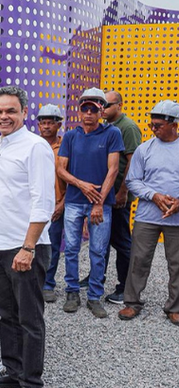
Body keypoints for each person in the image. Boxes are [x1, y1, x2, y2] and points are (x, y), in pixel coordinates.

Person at [0, 86, 55, 388]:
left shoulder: (35, 147)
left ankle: (32, 384)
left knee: (29, 318)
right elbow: (11, 193)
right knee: (7, 313)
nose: (3, 117)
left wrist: (28, 247)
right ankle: (13, 369)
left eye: (10, 111)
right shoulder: (4, 146)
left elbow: (43, 202)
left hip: (24, 247)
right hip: (0, 243)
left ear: (24, 112)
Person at [56, 87, 124, 318]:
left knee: (98, 251)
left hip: (100, 204)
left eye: (93, 110)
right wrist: (81, 184)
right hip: (74, 202)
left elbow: (113, 170)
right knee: (72, 249)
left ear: (101, 110)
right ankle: (72, 292)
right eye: (84, 109)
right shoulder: (71, 136)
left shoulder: (111, 134)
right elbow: (60, 169)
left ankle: (95, 296)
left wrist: (99, 202)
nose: (88, 114)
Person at [118, 100, 179, 325]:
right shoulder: (145, 148)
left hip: (177, 217)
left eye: (158, 125)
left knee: (177, 263)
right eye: (152, 124)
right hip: (147, 216)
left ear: (174, 124)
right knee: (139, 260)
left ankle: (175, 307)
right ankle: (132, 303)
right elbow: (133, 181)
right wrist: (155, 196)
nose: (153, 129)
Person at [91, 90, 142, 305]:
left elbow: (133, 162)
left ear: (119, 105)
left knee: (121, 241)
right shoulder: (105, 128)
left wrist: (123, 192)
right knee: (103, 239)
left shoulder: (128, 128)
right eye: (101, 105)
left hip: (118, 195)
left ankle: (125, 287)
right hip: (104, 194)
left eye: (108, 105)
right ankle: (96, 278)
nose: (102, 109)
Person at [37, 105, 67, 303]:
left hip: (56, 206)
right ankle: (34, 282)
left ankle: (48, 284)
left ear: (59, 124)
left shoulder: (66, 147)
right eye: (42, 122)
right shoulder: (32, 145)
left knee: (53, 246)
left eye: (50, 123)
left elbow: (72, 178)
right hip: (35, 205)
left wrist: (62, 204)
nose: (46, 127)